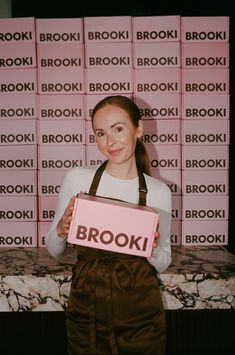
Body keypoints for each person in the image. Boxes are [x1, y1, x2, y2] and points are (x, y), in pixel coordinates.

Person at [45, 95, 172, 355]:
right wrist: (61, 229)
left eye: (118, 129)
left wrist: (150, 248)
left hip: (140, 317)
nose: (109, 142)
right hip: (86, 311)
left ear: (139, 128)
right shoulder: (77, 178)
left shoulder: (159, 192)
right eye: (100, 133)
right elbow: (54, 250)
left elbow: (163, 261)